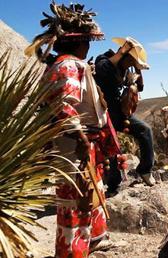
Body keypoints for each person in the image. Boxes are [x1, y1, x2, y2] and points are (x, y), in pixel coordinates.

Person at [25, 3, 119, 256]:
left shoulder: (68, 64)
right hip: (74, 145)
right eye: (87, 41)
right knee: (76, 200)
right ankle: (70, 252)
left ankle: (93, 241)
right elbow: (64, 105)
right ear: (79, 43)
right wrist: (79, 137)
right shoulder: (69, 65)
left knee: (89, 194)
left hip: (82, 142)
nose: (89, 46)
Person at [94, 36, 155, 192]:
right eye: (130, 61)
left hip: (120, 113)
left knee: (145, 130)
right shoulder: (105, 59)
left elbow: (140, 87)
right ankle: (113, 184)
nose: (130, 65)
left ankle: (145, 169)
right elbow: (103, 69)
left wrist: (138, 69)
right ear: (124, 55)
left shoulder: (126, 70)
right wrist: (122, 53)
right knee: (112, 149)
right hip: (103, 113)